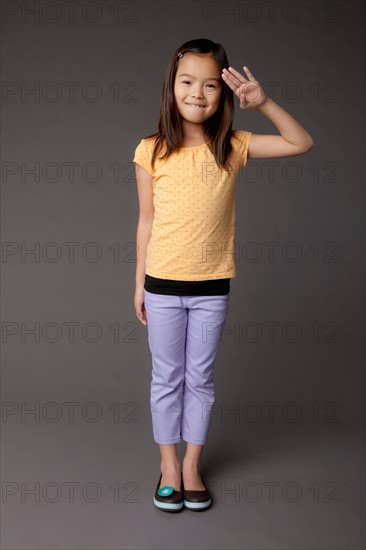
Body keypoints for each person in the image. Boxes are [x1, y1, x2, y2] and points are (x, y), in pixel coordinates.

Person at [133, 38, 314, 512]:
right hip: (163, 286)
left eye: (211, 84)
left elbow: (301, 142)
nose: (198, 93)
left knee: (200, 379)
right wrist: (138, 284)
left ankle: (193, 464)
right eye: (188, 81)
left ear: (224, 93)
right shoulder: (150, 150)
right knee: (166, 378)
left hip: (212, 289)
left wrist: (265, 103)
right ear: (172, 86)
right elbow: (146, 221)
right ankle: (168, 465)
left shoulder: (232, 146)